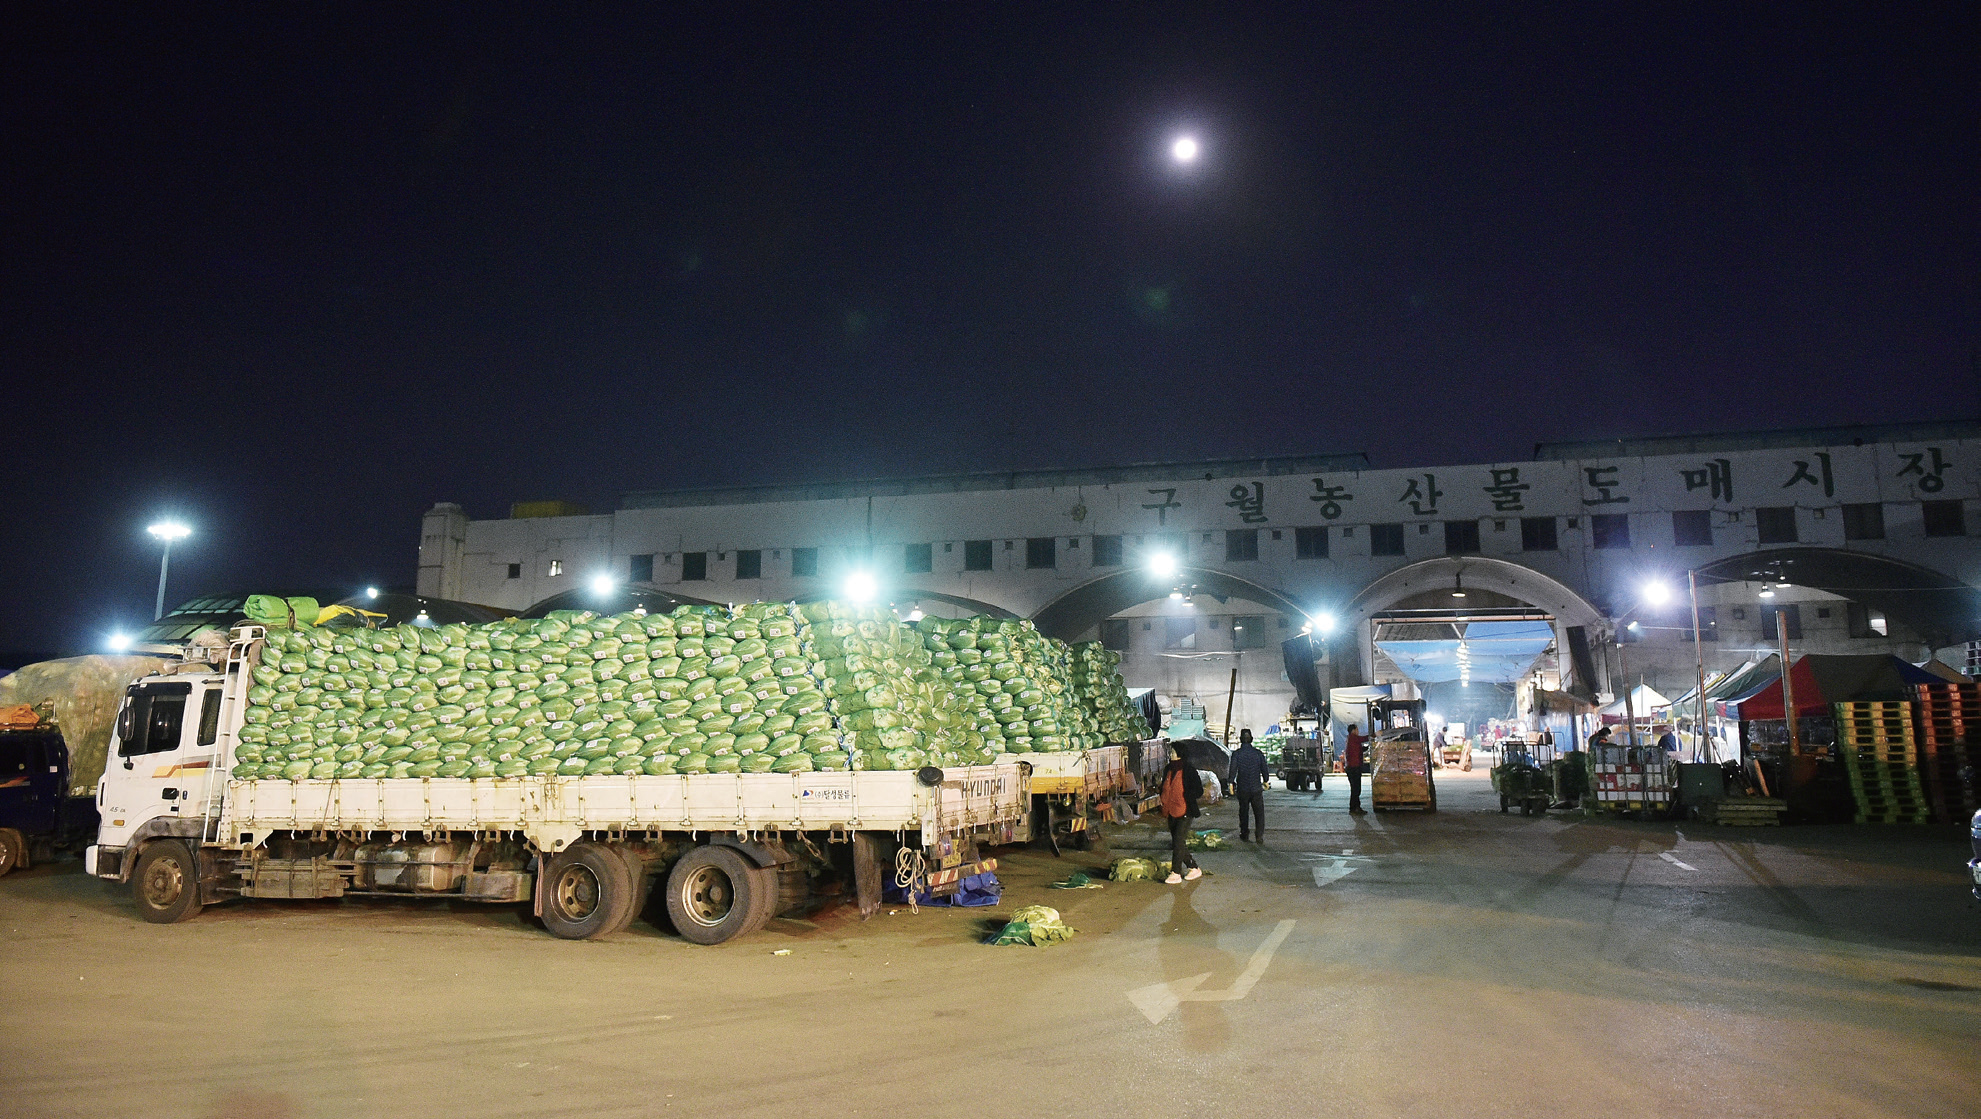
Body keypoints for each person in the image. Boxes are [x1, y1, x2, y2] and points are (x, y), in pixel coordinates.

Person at [1159, 744, 1204, 884]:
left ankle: (1176, 872)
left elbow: (1199, 790)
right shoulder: (1168, 769)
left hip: (1185, 811)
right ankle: (1193, 867)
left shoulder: (1189, 770)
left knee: (1178, 841)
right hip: (1170, 810)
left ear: (1180, 753)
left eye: (1173, 751)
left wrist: (1186, 795)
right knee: (1178, 842)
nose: (1170, 753)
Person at [1229, 728, 1268, 842]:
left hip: (1243, 788)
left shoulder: (1236, 754)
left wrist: (1231, 783)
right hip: (1256, 788)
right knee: (1259, 813)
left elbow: (1233, 770)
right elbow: (1264, 769)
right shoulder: (1258, 753)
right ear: (1251, 739)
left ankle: (1244, 833)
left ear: (1241, 740)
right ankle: (1259, 835)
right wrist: (1266, 780)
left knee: (1244, 812)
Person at [1343, 723, 1367, 813]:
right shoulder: (1353, 737)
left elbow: (1358, 748)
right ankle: (1355, 807)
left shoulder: (1351, 739)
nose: (1358, 731)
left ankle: (1354, 807)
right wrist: (1375, 735)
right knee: (1356, 789)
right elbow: (1363, 738)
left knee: (1355, 788)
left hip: (1352, 767)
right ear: (1353, 730)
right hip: (1354, 767)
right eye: (1357, 729)